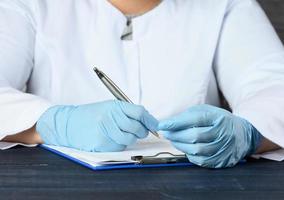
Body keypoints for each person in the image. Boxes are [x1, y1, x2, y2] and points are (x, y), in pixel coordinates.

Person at [0, 0, 283, 168]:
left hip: (194, 185)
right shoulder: (28, 4)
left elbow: (274, 88)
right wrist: (56, 123)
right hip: (57, 186)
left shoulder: (226, 5)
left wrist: (248, 135)